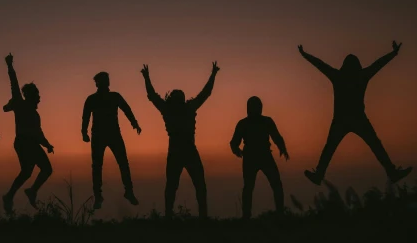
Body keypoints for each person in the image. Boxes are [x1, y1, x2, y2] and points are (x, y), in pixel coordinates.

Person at [298, 41, 412, 185]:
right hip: (358, 119)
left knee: (330, 148)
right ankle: (392, 172)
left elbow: (320, 64)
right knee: (376, 145)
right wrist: (393, 53)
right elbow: (378, 64)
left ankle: (319, 175)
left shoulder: (338, 76)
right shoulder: (361, 76)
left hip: (341, 120)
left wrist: (304, 55)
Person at [141, 61, 219, 218]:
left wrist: (146, 77)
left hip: (179, 151)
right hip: (187, 151)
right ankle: (200, 216)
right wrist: (213, 74)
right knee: (196, 186)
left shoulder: (169, 110)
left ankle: (171, 216)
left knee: (175, 187)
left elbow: (152, 96)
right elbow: (205, 93)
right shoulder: (187, 108)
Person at [1, 53, 54, 213]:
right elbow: (14, 83)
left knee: (26, 172)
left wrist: (47, 144)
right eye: (37, 96)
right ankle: (30, 191)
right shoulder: (20, 103)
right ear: (32, 96)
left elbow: (38, 132)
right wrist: (10, 66)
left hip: (28, 143)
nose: (40, 98)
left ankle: (10, 195)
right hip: (25, 143)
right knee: (46, 169)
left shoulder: (34, 113)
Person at [81, 71, 141, 209]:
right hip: (100, 135)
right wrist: (83, 132)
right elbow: (85, 117)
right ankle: (98, 196)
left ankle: (128, 191)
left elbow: (127, 109)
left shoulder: (114, 96)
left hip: (112, 134)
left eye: (107, 79)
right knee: (98, 166)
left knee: (121, 163)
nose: (107, 82)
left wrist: (134, 123)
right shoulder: (93, 99)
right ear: (98, 83)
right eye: (104, 80)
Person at [230, 96, 289, 219]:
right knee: (265, 185)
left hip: (256, 156)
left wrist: (283, 148)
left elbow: (234, 143)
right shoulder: (261, 121)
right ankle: (277, 214)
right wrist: (237, 151)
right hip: (259, 156)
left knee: (255, 187)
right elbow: (234, 143)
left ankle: (249, 216)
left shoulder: (246, 123)